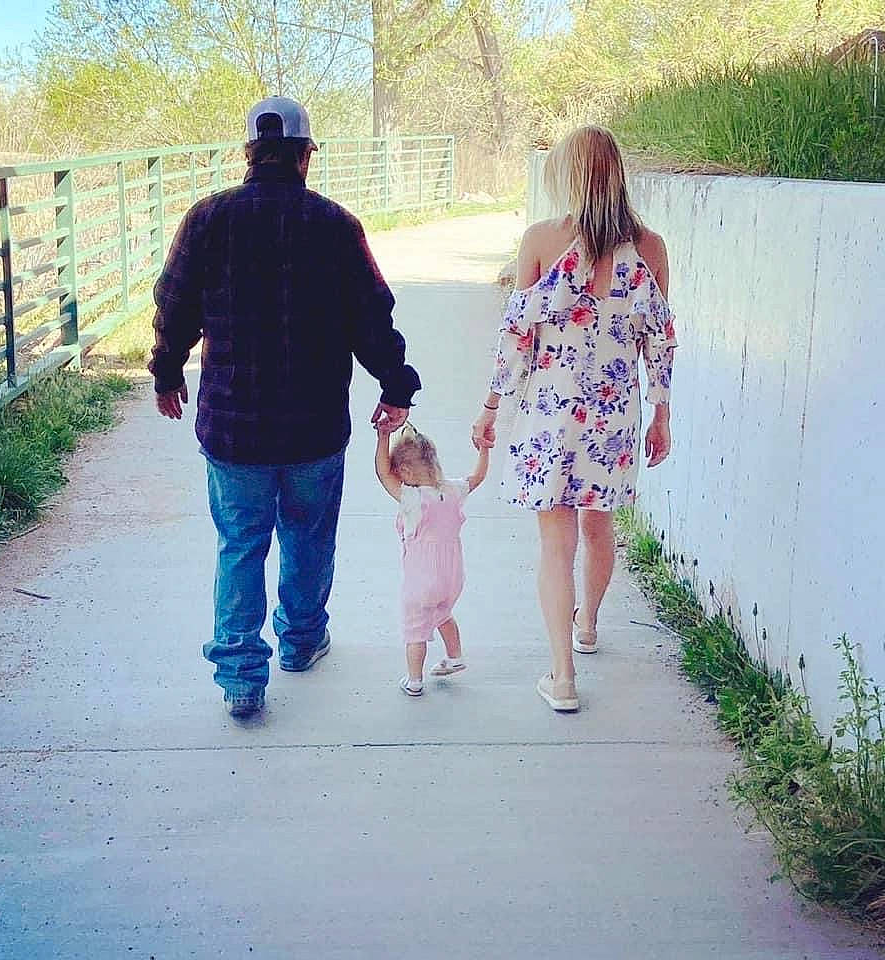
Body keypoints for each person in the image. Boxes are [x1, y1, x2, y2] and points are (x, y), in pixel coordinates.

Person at [149, 96, 421, 719]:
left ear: (248, 155)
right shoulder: (336, 225)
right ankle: (300, 642)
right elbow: (371, 317)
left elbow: (175, 305)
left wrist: (167, 372)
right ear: (305, 157)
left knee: (240, 543)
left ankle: (243, 676)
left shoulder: (206, 218)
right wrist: (395, 384)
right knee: (308, 534)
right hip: (315, 427)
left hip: (232, 426)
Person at [472, 125, 677, 713]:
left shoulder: (540, 239)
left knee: (554, 541)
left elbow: (517, 337)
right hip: (613, 415)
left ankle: (562, 677)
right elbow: (659, 340)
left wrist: (491, 407)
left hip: (550, 414)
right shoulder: (651, 248)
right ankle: (587, 625)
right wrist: (661, 414)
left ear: (567, 175)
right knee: (598, 527)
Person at [374, 422, 489, 696]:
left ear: (404, 471)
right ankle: (455, 656)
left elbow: (382, 473)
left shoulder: (412, 498)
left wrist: (383, 437)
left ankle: (414, 680)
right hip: (453, 577)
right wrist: (484, 450)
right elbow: (478, 476)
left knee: (415, 630)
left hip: (422, 580)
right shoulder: (452, 490)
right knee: (443, 613)